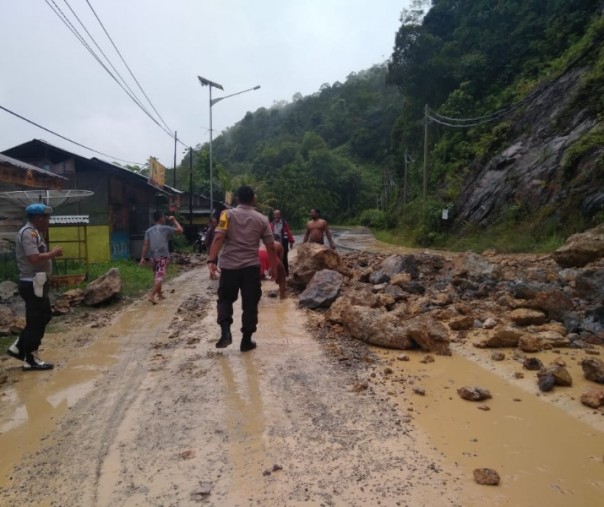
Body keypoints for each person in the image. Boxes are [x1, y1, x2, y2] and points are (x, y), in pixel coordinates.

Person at [207, 185, 278, 352]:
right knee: (250, 304)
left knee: (225, 299)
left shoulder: (226, 215)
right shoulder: (262, 219)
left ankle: (225, 332)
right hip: (251, 268)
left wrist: (211, 260)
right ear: (253, 199)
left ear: (237, 199)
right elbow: (270, 246)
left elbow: (218, 237)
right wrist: (273, 267)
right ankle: (246, 341)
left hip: (229, 267)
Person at [7, 203, 63, 371]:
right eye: (47, 218)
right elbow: (33, 258)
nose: (48, 221)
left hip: (38, 282)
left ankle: (18, 347)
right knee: (36, 321)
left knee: (45, 315)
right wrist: (53, 253)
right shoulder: (28, 234)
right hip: (32, 283)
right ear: (38, 218)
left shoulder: (35, 233)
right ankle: (30, 359)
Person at [139, 210, 183, 304]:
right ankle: (151, 295)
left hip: (152, 257)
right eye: (163, 217)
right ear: (161, 218)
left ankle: (159, 295)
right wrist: (174, 221)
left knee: (156, 276)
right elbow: (180, 230)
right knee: (160, 277)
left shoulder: (149, 231)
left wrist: (142, 257)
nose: (164, 218)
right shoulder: (166, 228)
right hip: (162, 256)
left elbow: (145, 245)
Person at [270, 209, 295, 275]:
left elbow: (288, 232)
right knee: (274, 258)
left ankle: (286, 272)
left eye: (278, 215)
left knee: (284, 258)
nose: (276, 216)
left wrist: (291, 242)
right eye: (275, 215)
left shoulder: (284, 223)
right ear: (273, 216)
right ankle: (276, 273)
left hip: (283, 243)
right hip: (274, 244)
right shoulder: (271, 224)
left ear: (280, 215)